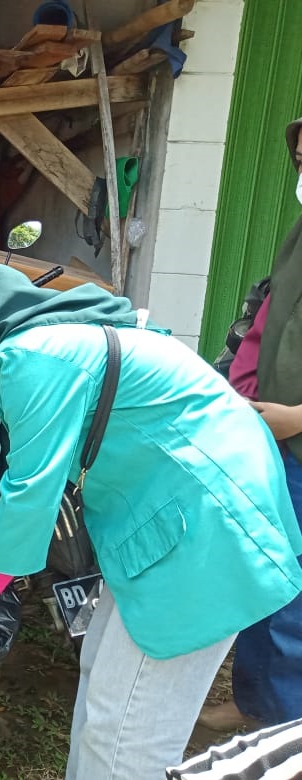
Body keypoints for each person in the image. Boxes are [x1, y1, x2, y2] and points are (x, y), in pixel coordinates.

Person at [0, 260, 302, 780]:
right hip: (175, 511)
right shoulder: (53, 332)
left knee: (129, 735)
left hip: (206, 530)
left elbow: (31, 495)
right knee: (103, 685)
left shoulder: (33, 358)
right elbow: (26, 450)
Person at [199, 115, 302, 733]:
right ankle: (255, 701)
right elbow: (263, 324)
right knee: (261, 572)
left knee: (295, 599)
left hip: (295, 435)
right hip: (269, 440)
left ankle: (286, 734)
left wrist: (297, 416)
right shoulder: (298, 236)